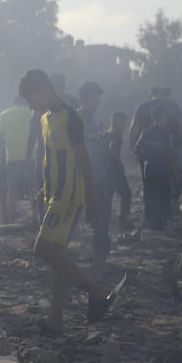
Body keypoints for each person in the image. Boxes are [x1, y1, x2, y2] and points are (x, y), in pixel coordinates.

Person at [17, 70, 122, 332]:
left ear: (43, 90)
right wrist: (44, 189)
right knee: (58, 256)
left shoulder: (71, 118)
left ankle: (98, 290)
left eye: (30, 100)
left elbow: (84, 160)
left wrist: (92, 201)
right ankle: (56, 320)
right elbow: (51, 158)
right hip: (53, 194)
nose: (30, 106)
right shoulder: (44, 119)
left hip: (69, 196)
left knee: (43, 249)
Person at [130, 87, 182, 214]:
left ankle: (151, 214)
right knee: (174, 178)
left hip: (149, 150)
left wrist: (135, 150)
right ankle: (170, 208)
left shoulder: (143, 106)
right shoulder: (172, 104)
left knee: (149, 182)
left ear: (150, 95)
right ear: (167, 94)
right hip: (172, 148)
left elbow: (134, 129)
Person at [78, 81, 111, 269]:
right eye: (92, 99)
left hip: (99, 176)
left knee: (101, 218)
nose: (96, 103)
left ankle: (100, 258)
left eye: (98, 100)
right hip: (79, 177)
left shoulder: (98, 121)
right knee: (73, 218)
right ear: (82, 99)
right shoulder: (76, 119)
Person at [134, 104, 176, 230]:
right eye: (165, 117)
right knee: (163, 195)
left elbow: (137, 149)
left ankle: (151, 220)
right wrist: (174, 171)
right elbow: (170, 154)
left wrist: (146, 155)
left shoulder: (145, 133)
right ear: (162, 117)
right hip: (162, 169)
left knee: (151, 195)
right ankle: (161, 222)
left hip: (150, 169)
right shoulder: (166, 133)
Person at [0, 96, 34, 224]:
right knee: (33, 188)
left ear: (13, 103)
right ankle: (36, 218)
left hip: (12, 157)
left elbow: (0, 139)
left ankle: (11, 220)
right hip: (31, 156)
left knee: (12, 190)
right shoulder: (33, 113)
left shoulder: (5, 114)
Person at [105, 112, 132, 229]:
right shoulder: (116, 135)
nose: (124, 125)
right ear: (116, 123)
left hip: (105, 170)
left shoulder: (106, 133)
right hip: (114, 170)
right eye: (122, 123)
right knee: (126, 193)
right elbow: (111, 148)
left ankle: (106, 220)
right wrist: (120, 163)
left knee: (108, 196)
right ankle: (123, 220)